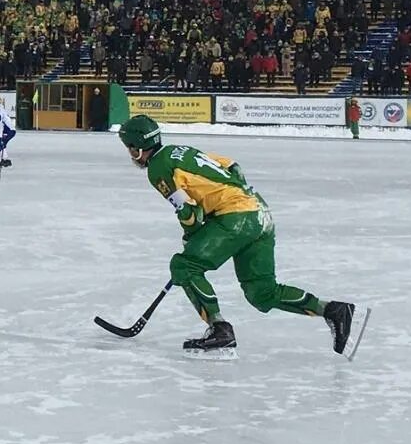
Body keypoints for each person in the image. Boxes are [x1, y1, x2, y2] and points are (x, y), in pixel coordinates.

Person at [116, 113, 360, 356]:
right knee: (261, 292)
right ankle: (333, 310)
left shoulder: (158, 168)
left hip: (236, 218)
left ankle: (219, 329)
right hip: (260, 213)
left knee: (185, 266)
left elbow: (189, 213)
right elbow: (234, 167)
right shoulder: (182, 150)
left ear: (137, 148)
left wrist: (192, 234)